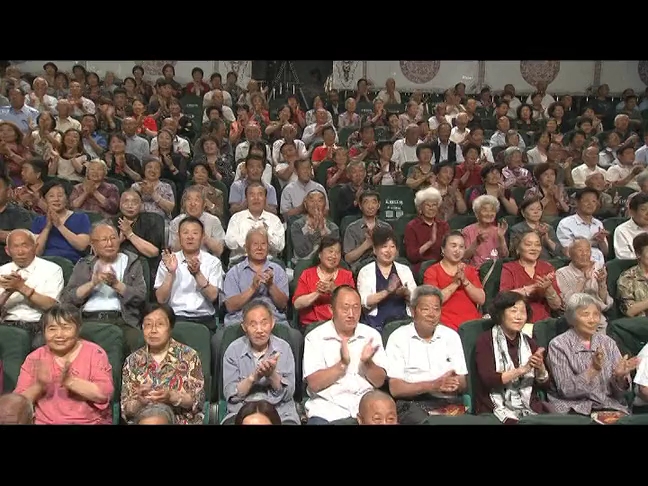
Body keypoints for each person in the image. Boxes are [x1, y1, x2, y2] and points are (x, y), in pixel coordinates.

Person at [14, 304, 114, 425]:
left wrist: (70, 382)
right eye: (52, 329)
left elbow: (103, 395)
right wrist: (39, 386)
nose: (59, 335)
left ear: (78, 329)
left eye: (66, 328)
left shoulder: (95, 353)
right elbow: (17, 404)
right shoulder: (35, 358)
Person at [303, 285, 388, 424]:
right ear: (332, 309)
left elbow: (379, 381)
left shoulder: (371, 335)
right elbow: (314, 384)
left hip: (365, 409)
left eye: (356, 308)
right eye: (345, 308)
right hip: (327, 409)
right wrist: (342, 364)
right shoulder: (315, 337)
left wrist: (368, 363)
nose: (351, 314)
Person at [547, 293, 638, 421]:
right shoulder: (558, 345)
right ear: (572, 318)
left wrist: (619, 377)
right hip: (575, 410)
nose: (592, 320)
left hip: (609, 406)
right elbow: (566, 390)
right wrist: (592, 371)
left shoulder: (608, 343)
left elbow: (622, 394)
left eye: (596, 314)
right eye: (585, 314)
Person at [60, 223, 148, 353]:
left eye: (113, 238)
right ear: (93, 244)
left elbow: (141, 297)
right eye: (104, 240)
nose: (109, 243)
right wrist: (92, 283)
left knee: (139, 341)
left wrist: (117, 284)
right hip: (88, 320)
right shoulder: (85, 264)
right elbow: (68, 298)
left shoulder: (132, 262)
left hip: (122, 320)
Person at [386, 285, 468, 424]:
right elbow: (395, 388)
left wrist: (455, 383)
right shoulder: (398, 337)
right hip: (412, 404)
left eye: (436, 309)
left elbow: (463, 382)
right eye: (425, 309)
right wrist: (433, 385)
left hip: (448, 402)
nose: (432, 314)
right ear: (413, 311)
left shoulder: (451, 336)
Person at [121, 304, 206, 425]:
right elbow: (125, 409)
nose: (153, 330)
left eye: (160, 324)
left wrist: (173, 397)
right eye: (148, 325)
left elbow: (197, 401)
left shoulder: (189, 356)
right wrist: (140, 402)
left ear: (170, 327)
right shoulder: (132, 361)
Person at [473, 291, 550, 423]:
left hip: (530, 407)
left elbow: (546, 385)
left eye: (523, 312)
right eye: (513, 311)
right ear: (500, 313)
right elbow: (488, 380)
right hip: (494, 407)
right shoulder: (485, 341)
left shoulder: (529, 342)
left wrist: (540, 368)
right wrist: (521, 370)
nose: (519, 317)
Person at [222, 300, 299, 425]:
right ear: (244, 327)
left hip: (280, 411)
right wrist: (253, 377)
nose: (259, 330)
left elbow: (289, 394)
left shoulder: (284, 348)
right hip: (242, 410)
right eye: (253, 325)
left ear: (272, 323)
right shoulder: (233, 350)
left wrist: (272, 375)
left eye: (264, 323)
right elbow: (231, 394)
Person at [154, 216, 223, 332]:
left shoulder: (213, 262)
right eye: (185, 233)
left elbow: (213, 296)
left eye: (195, 233)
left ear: (202, 238)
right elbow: (161, 299)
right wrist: (171, 273)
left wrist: (197, 274)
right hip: (175, 319)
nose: (190, 237)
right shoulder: (168, 261)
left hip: (204, 319)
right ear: (179, 237)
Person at [0, 229, 64, 348]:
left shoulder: (52, 270)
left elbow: (51, 306)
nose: (20, 252)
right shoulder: (2, 271)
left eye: (25, 246)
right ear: (7, 251)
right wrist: (7, 292)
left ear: (35, 246)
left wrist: (21, 287)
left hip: (38, 326)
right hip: (7, 326)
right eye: (15, 247)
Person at [357, 227, 417, 332]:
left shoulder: (404, 270)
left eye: (392, 247)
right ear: (375, 250)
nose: (388, 251)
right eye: (384, 246)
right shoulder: (365, 271)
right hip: (375, 323)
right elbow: (363, 302)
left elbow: (416, 298)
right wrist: (387, 291)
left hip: (403, 321)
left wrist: (406, 293)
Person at [423, 231, 485, 331]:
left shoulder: (470, 270)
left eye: (461, 247)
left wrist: (465, 281)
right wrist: (455, 283)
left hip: (472, 324)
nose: (458, 250)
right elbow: (433, 301)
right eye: (453, 246)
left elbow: (481, 299)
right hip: (445, 325)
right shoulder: (432, 271)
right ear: (443, 249)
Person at [293, 236, 355, 327]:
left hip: (339, 325)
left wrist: (335, 290)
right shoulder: (307, 274)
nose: (334, 256)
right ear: (320, 254)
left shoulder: (347, 275)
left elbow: (353, 303)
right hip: (312, 325)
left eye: (337, 252)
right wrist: (318, 292)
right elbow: (297, 304)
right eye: (330, 251)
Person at [32, 180, 91, 264]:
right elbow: (36, 252)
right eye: (51, 196)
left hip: (72, 264)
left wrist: (59, 225)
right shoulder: (38, 221)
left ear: (67, 199)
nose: (56, 199)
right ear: (45, 200)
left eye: (60, 195)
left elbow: (82, 246)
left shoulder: (81, 218)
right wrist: (47, 227)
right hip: (44, 264)